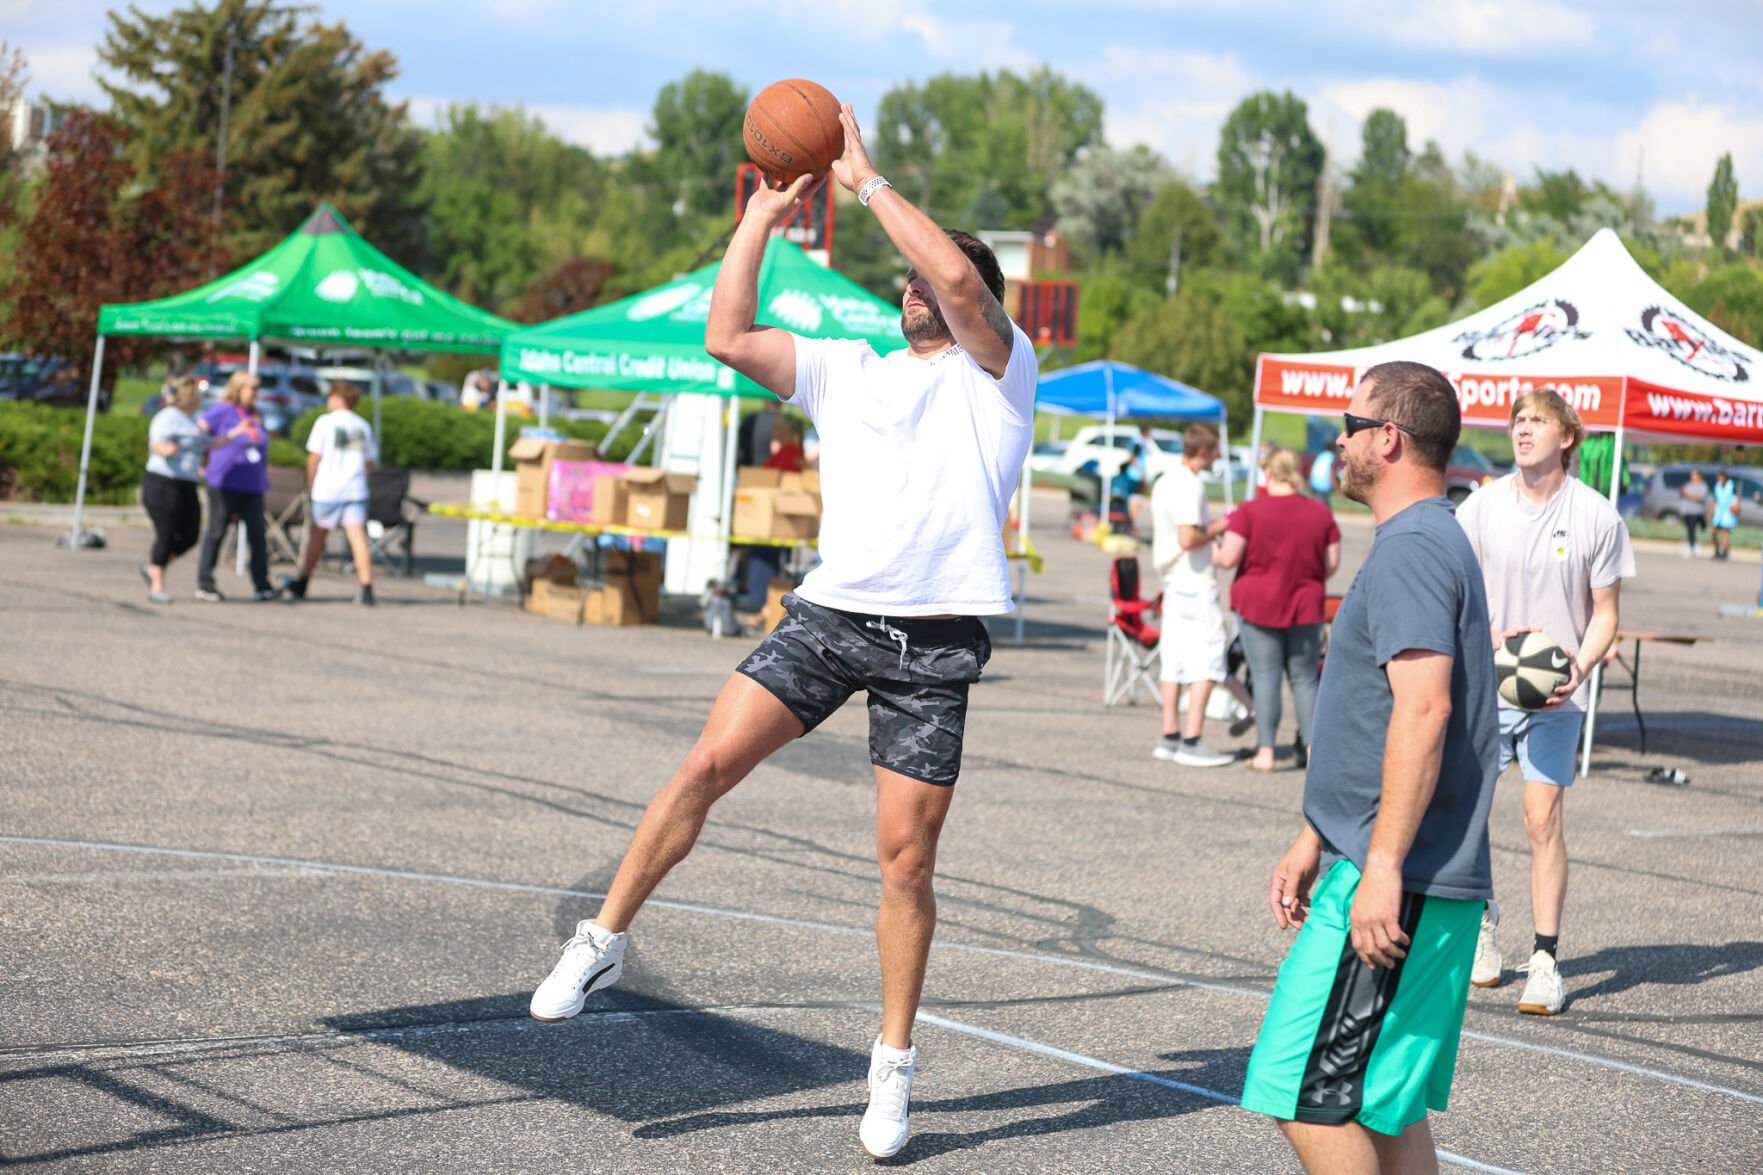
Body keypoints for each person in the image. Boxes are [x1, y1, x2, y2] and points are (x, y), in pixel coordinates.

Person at [527, 103, 1036, 1161]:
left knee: (904, 862)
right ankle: (601, 938)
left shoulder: (998, 373)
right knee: (704, 763)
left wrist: (863, 183)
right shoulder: (846, 370)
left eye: (927, 280)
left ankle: (890, 1064)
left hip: (930, 645)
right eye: (899, 281)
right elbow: (723, 334)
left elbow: (952, 279)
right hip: (829, 617)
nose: (912, 290)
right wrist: (763, 215)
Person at [1241, 360, 1499, 1173]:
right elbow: (1378, 719)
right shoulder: (1425, 537)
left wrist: (1379, 863)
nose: (1337, 443)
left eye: (1344, 428)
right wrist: (1315, 831)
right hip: (1396, 865)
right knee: (1386, 1110)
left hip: (1397, 877)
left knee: (1302, 1096)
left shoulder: (1413, 548)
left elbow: (1424, 710)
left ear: (1385, 438)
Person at [1455, 390, 1634, 1015]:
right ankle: (1483, 919)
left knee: (1540, 821)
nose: (1523, 430)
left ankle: (1545, 962)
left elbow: (1607, 614)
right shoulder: (1479, 509)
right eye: (1517, 420)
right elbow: (1458, 595)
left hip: (1556, 694)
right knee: (1467, 815)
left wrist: (1579, 666)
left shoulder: (1596, 517)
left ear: (1567, 438)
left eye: (1538, 421)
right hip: (1487, 685)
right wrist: (1482, 636)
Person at [1215, 448, 1341, 773]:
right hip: (1304, 604)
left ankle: (1267, 752)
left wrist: (1210, 550)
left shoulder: (1249, 511)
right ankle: (1314, 753)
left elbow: (1229, 558)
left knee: (1266, 675)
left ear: (1268, 473)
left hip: (1258, 604)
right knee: (1305, 680)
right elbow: (1331, 564)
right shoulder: (1320, 513)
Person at [1149, 423, 1244, 767]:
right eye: (1215, 450)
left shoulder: (1164, 481)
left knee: (1173, 660)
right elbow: (1187, 538)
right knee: (1207, 657)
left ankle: (1170, 735)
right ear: (1203, 451)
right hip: (1193, 580)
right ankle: (1192, 738)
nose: (1217, 456)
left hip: (1173, 581)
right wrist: (1221, 525)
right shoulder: (1190, 485)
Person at [280, 381, 380, 606]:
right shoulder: (361, 425)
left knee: (317, 537)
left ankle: (303, 580)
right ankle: (366, 587)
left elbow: (314, 457)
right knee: (357, 537)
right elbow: (370, 461)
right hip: (355, 489)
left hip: (328, 489)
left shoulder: (325, 423)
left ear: (337, 399)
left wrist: (311, 483)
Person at [193, 370, 279, 602]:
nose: (256, 393)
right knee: (217, 530)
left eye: (257, 388)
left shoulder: (257, 414)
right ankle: (205, 582)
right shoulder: (223, 410)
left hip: (253, 485)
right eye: (251, 388)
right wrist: (202, 460)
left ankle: (262, 584)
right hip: (224, 482)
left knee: (257, 536)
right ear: (238, 388)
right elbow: (197, 434)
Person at [139, 376, 217, 603]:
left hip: (187, 484)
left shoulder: (192, 420)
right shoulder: (167, 417)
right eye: (196, 396)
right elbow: (156, 443)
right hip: (162, 484)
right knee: (166, 532)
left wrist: (236, 435)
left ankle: (154, 566)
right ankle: (157, 585)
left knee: (191, 535)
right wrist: (165, 449)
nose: (199, 400)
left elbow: (206, 443)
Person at [735, 413, 808, 618]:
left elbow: (772, 480)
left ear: (784, 431)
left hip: (772, 519)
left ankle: (760, 606)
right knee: (768, 560)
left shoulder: (788, 452)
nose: (772, 431)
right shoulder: (791, 451)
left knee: (763, 559)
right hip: (774, 518)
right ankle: (763, 607)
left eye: (777, 427)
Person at [1709, 470, 1739, 561]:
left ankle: (1725, 551)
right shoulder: (1717, 486)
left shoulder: (1731, 486)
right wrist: (1711, 511)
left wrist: (1736, 507)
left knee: (1725, 532)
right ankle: (1717, 550)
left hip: (1728, 511)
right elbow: (1715, 500)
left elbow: (1736, 497)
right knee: (1713, 532)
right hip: (1719, 511)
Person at [1681, 468, 1708, 556]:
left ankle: (1693, 546)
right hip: (1687, 511)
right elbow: (1682, 494)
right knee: (1689, 529)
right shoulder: (1688, 485)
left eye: (1694, 474)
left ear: (1699, 476)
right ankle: (1691, 545)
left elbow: (1700, 498)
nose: (1692, 476)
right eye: (1692, 474)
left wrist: (1688, 495)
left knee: (1693, 528)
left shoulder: (1702, 486)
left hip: (1696, 512)